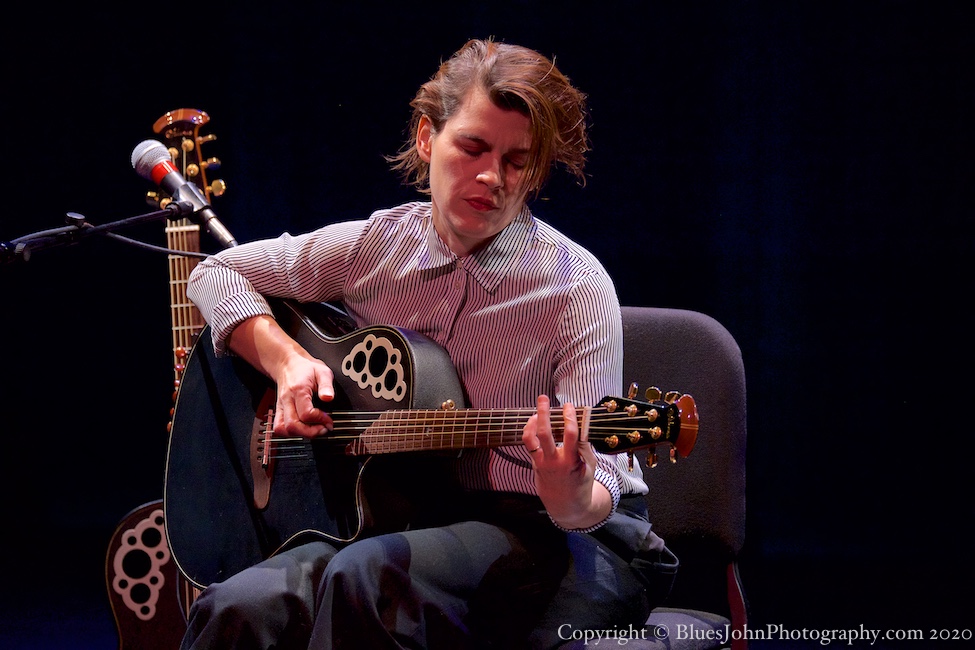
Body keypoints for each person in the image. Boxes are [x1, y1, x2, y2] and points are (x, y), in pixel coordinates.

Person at [181, 38, 670, 649]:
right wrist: (288, 363)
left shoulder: (573, 287)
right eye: (472, 147)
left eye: (517, 161)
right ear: (425, 138)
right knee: (237, 605)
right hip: (403, 514)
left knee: (369, 577)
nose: (492, 176)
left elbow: (591, 499)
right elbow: (215, 273)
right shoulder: (378, 246)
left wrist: (566, 488)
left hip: (556, 533)